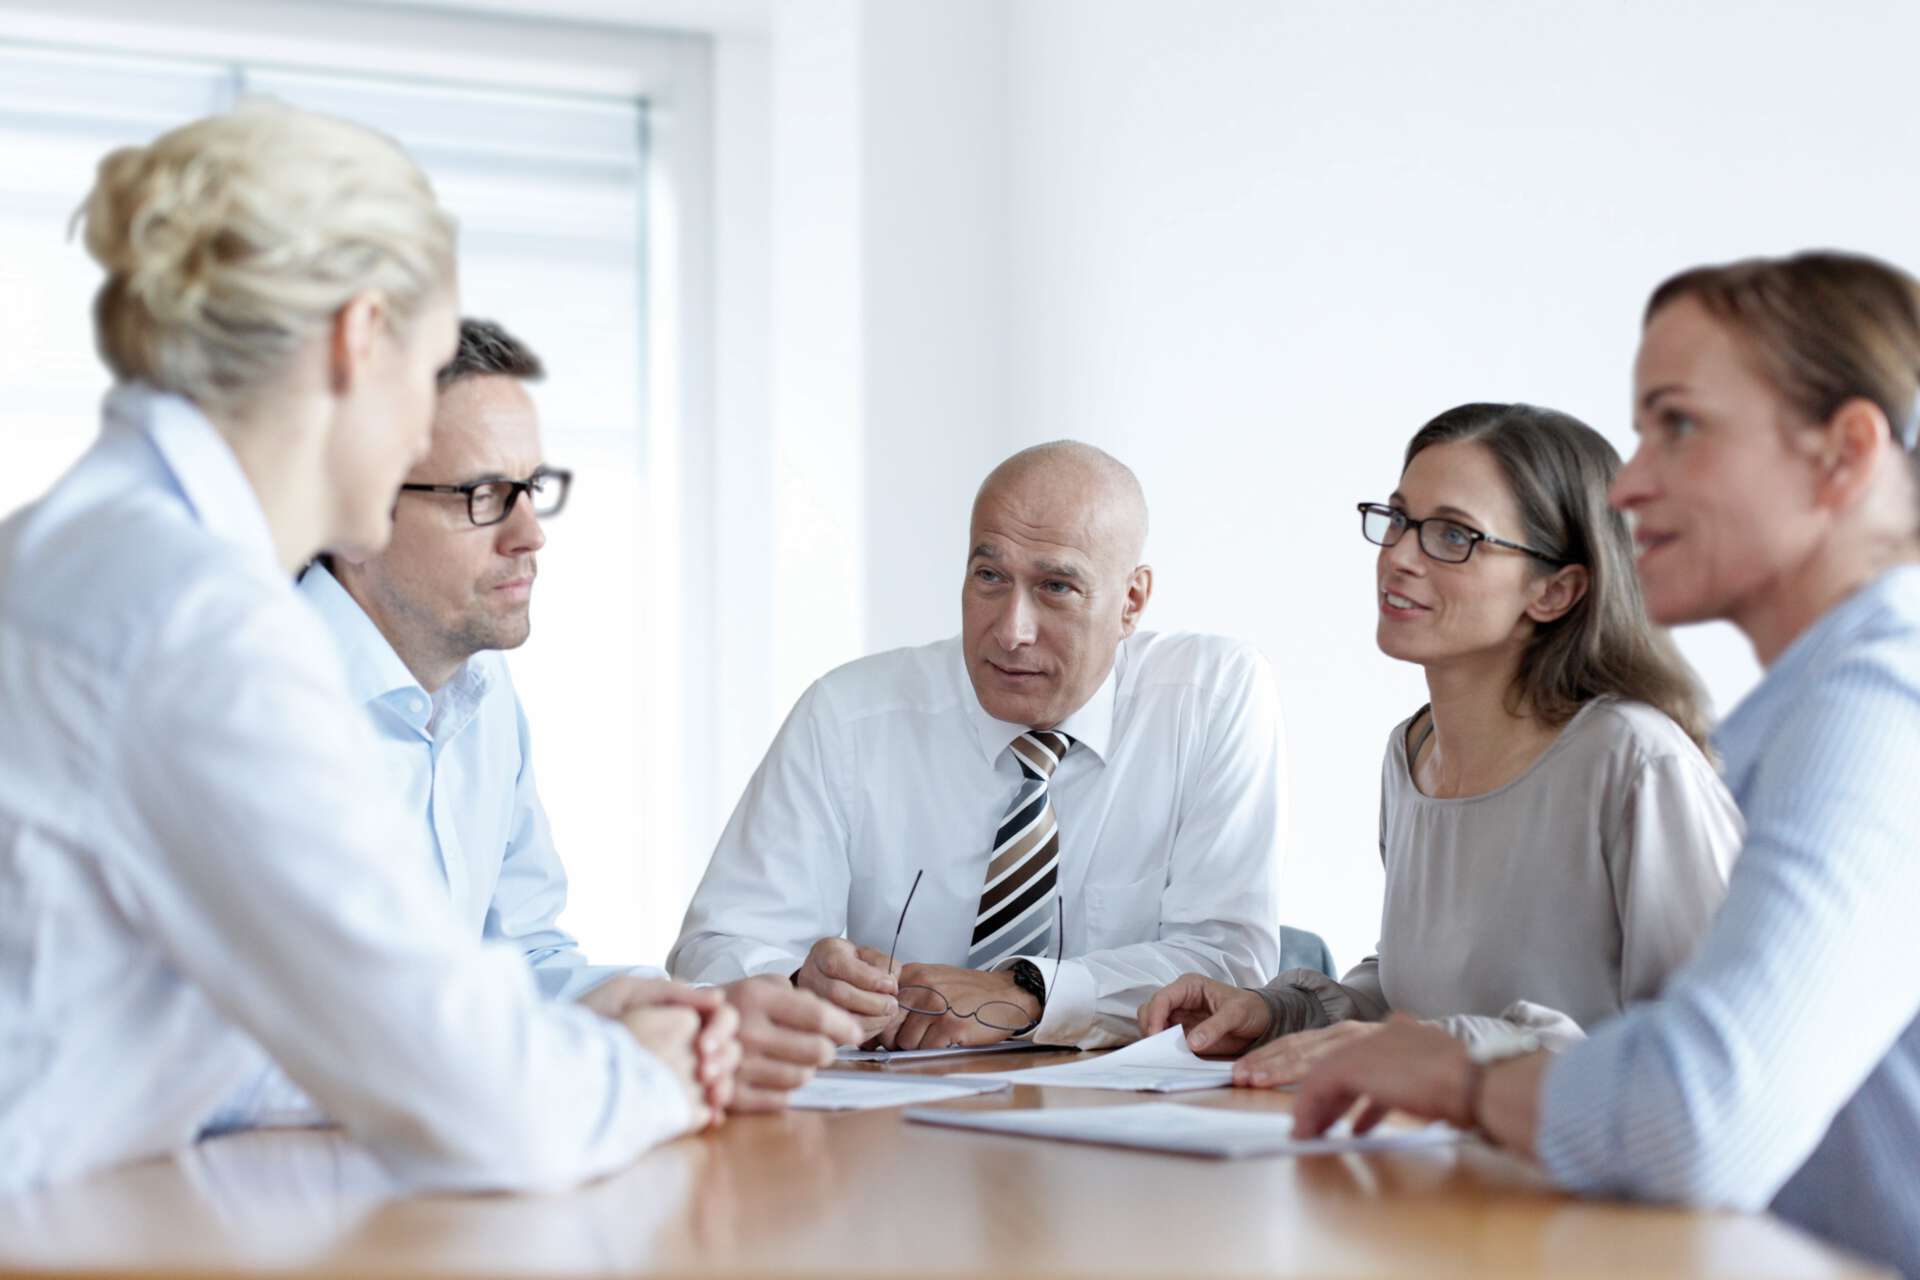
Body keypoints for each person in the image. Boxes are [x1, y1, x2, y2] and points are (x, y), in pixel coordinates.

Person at [0, 103, 737, 1196]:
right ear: (359, 336)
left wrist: (579, 1023)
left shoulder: (75, 546)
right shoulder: (199, 620)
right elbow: (481, 1104)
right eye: (428, 364)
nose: (416, 430)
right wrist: (648, 1073)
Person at [1291, 251, 1920, 1280]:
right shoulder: (1809, 708)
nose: (1628, 484)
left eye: (1678, 423)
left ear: (1843, 454)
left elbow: (1696, 1115)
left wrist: (1465, 1075)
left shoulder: (1877, 706)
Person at [284, 317, 858, 1113]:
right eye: (484, 496)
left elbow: (521, 959)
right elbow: (289, 1037)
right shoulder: (260, 699)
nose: (531, 536)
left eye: (531, 488)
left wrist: (699, 1017)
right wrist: (608, 1052)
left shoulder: (479, 695)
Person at [1140, 404, 1741, 1084]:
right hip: (1436, 1167)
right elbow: (1419, 1002)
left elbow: (1705, 1047)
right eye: (1398, 520)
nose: (1397, 556)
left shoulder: (1634, 762)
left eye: (1453, 536)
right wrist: (1275, 1014)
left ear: (1555, 590)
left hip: (1582, 1181)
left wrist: (1447, 1051)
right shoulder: (1413, 753)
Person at [669, 442, 1285, 1050]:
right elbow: (710, 951)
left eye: (1056, 588)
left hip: (1133, 1122)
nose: (1012, 632)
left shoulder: (1211, 698)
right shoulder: (849, 715)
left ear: (1131, 602)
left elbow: (1228, 969)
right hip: (900, 1122)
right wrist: (801, 985)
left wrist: (1027, 994)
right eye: (989, 577)